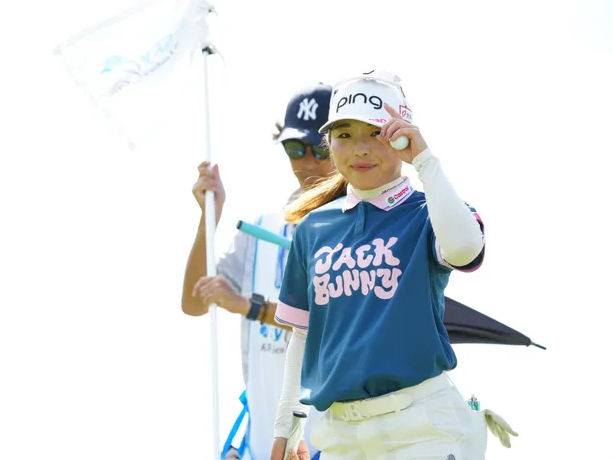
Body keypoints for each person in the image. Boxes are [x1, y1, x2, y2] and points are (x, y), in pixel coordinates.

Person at [270, 72, 489, 460]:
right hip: (341, 438)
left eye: (376, 133)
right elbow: (302, 336)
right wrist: (287, 425)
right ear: (330, 142)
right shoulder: (311, 228)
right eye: (345, 134)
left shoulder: (427, 212)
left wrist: (424, 159)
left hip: (424, 429)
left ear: (401, 136)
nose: (361, 149)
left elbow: (464, 247)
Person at [181, 83, 335, 460]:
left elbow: (336, 325)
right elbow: (194, 303)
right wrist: (209, 217)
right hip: (263, 444)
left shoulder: (360, 228)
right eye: (295, 148)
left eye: (320, 149)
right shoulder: (263, 227)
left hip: (334, 446)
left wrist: (250, 307)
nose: (307, 161)